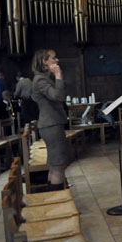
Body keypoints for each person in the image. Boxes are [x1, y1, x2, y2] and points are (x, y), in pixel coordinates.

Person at [31, 49, 69, 191]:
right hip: (51, 124)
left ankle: (53, 196)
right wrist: (58, 75)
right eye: (53, 58)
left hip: (51, 124)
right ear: (44, 61)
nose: (57, 60)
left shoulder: (44, 78)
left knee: (55, 164)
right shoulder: (40, 79)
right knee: (59, 164)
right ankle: (58, 201)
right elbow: (58, 96)